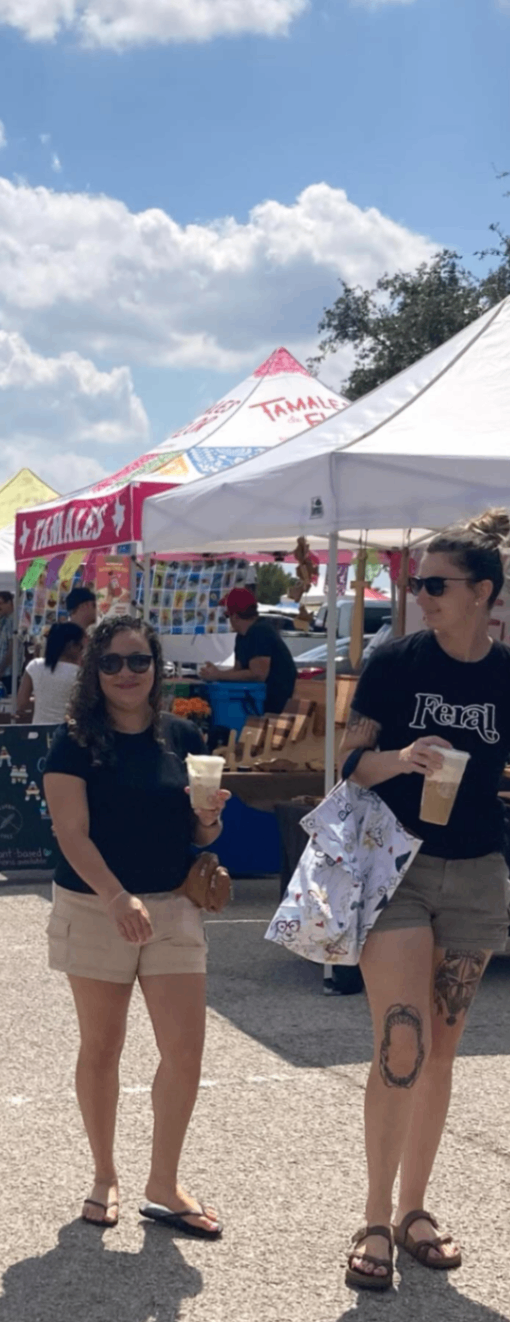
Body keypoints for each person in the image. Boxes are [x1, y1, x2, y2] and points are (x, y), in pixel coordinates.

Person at [339, 511, 510, 1291]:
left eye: (435, 584)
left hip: (475, 871)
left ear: (482, 592)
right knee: (400, 1041)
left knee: (441, 1049)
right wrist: (399, 758)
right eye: (416, 583)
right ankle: (374, 1216)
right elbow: (347, 763)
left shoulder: (504, 673)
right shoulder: (395, 660)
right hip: (395, 866)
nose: (420, 595)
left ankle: (413, 1209)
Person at [43, 616, 229, 1233]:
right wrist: (116, 897)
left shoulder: (183, 735)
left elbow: (201, 833)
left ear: (157, 667)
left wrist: (209, 818)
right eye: (112, 663)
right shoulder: (73, 741)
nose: (126, 673)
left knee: (185, 1051)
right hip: (97, 906)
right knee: (102, 1047)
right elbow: (71, 833)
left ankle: (163, 1181)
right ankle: (104, 1174)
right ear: (94, 672)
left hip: (173, 904)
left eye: (139, 661)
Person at [199, 587, 296, 715]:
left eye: (227, 615)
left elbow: (258, 674)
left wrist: (218, 675)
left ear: (235, 616)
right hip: (256, 702)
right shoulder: (242, 636)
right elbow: (238, 671)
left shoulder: (261, 631)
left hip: (274, 706)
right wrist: (215, 673)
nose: (228, 620)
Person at [17, 622, 85, 725]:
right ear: (72, 646)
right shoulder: (80, 673)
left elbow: (21, 703)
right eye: (81, 647)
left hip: (38, 732)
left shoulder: (35, 666)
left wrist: (42, 701)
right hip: (67, 732)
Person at [0, 591, 16, 684]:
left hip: (7, 673)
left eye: (0, 603)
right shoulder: (5, 619)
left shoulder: (12, 620)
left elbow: (12, 647)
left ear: (9, 603)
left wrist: (0, 669)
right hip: (3, 672)